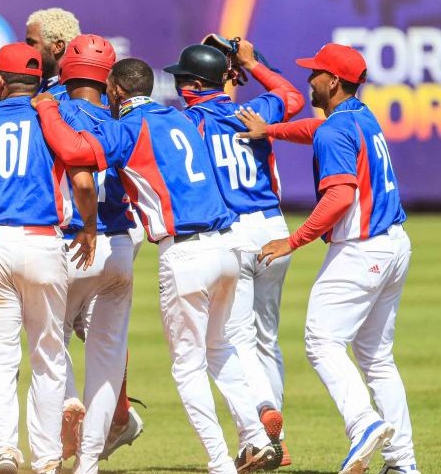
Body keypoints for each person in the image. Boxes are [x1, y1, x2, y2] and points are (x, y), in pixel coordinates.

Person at [34, 57, 279, 473]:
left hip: (183, 251)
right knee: (220, 348)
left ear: (114, 89)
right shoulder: (183, 119)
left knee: (187, 367)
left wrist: (47, 108)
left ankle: (221, 463)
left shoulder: (129, 128)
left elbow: (76, 151)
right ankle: (256, 439)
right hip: (225, 247)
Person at [237, 43, 419, 474]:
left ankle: (363, 423)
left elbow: (340, 195)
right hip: (395, 245)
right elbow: (314, 131)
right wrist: (274, 132)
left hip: (361, 249)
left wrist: (293, 241)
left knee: (322, 341)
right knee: (376, 358)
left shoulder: (335, 129)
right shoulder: (357, 115)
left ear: (334, 81)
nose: (310, 78)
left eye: (316, 73)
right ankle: (403, 463)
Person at [0, 42, 98, 474]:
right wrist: (87, 225)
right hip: (42, 240)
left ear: (1, 81)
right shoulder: (53, 119)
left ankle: (4, 449)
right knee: (47, 355)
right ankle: (46, 460)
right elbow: (83, 182)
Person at [166, 38, 305, 464]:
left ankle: (262, 409)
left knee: (235, 335)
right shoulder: (253, 111)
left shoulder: (189, 122)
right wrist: (251, 62)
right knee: (267, 337)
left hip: (235, 231)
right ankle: (272, 434)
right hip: (274, 227)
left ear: (190, 85)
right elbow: (293, 97)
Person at [48, 35, 140, 474]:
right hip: (119, 244)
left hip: (71, 239)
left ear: (66, 69)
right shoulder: (123, 122)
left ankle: (66, 402)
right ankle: (88, 466)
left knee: (53, 342)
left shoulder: (53, 110)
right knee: (106, 363)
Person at [25, 8, 81, 99]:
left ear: (58, 47)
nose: (26, 49)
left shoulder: (70, 95)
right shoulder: (42, 87)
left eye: (31, 43)